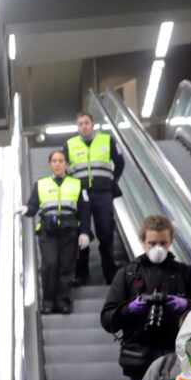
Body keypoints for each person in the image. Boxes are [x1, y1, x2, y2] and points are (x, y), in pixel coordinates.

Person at [101, 214, 191, 380]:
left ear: (171, 241)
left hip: (178, 358)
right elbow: (107, 320)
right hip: (139, 359)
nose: (158, 248)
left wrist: (188, 305)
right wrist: (129, 309)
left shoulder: (186, 274)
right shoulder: (127, 274)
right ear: (142, 242)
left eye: (163, 243)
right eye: (152, 243)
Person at [25, 149, 88, 314]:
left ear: (66, 164)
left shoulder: (77, 184)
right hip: (48, 231)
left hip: (70, 231)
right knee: (50, 265)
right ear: (50, 164)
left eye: (61, 161)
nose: (58, 164)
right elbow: (33, 207)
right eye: (54, 161)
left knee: (66, 267)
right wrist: (25, 209)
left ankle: (63, 301)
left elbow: (84, 210)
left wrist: (85, 232)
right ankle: (47, 301)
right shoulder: (40, 184)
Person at [68, 112, 126, 285]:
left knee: (106, 232)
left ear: (92, 124)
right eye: (80, 124)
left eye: (86, 123)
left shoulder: (107, 140)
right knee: (81, 234)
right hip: (81, 196)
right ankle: (81, 274)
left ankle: (110, 273)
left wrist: (112, 181)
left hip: (103, 194)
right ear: (77, 127)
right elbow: (64, 167)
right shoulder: (70, 144)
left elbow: (120, 162)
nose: (83, 126)